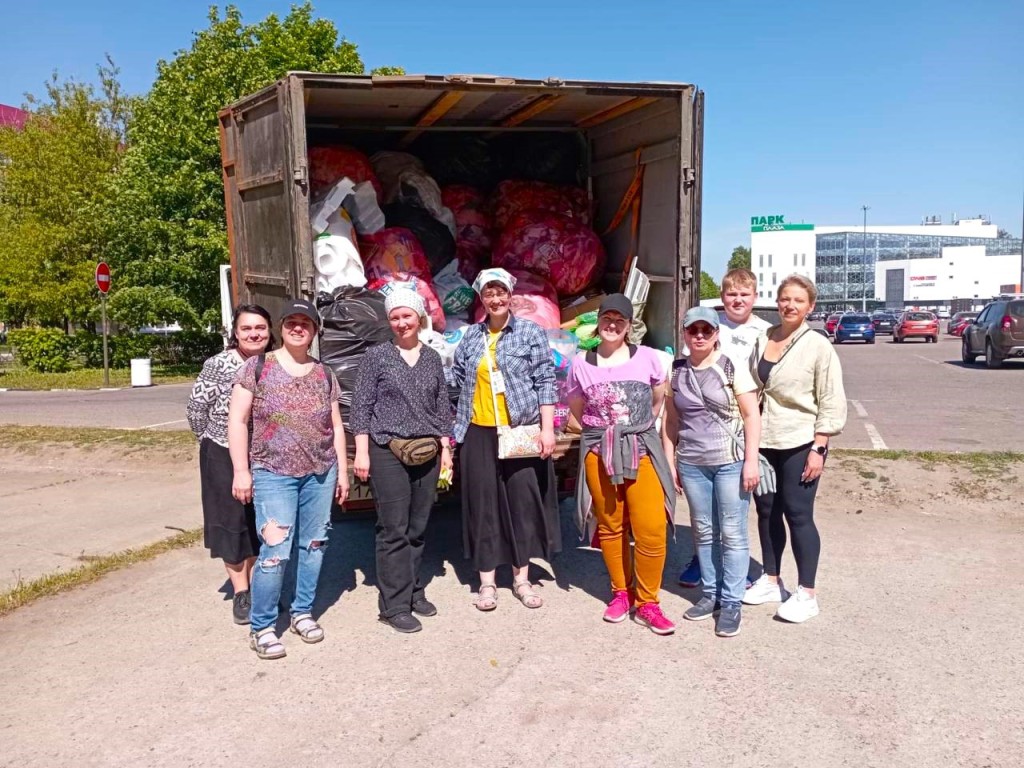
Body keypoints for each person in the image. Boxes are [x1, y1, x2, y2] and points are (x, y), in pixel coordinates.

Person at [227, 298, 349, 659]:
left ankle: (301, 612)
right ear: (282, 328)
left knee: (313, 546)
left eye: (306, 323)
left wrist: (342, 470)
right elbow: (237, 420)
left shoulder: (325, 373)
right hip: (273, 474)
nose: (298, 328)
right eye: (292, 322)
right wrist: (241, 471)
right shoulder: (258, 367)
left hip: (320, 472)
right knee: (276, 551)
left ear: (314, 331)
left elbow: (337, 425)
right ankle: (262, 626)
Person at [449, 267, 560, 611]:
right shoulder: (470, 337)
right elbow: (456, 382)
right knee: (483, 505)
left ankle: (521, 579)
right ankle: (486, 583)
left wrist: (547, 429)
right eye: (488, 294)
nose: (495, 299)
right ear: (481, 299)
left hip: (519, 431)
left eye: (500, 293)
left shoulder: (529, 332)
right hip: (478, 431)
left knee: (521, 504)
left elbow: (546, 380)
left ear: (511, 296)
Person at [568, 294, 678, 635]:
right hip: (599, 450)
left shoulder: (649, 359)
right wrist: (603, 436)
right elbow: (576, 410)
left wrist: (632, 429)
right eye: (607, 318)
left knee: (651, 529)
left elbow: (658, 399)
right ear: (598, 323)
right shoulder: (580, 363)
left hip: (641, 448)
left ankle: (648, 602)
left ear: (630, 325)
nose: (612, 324)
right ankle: (620, 593)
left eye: (620, 319)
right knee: (611, 526)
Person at [742, 275, 847, 623]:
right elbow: (750, 387)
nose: (789, 305)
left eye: (798, 301)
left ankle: (807, 592)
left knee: (798, 514)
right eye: (785, 299)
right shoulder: (763, 338)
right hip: (764, 437)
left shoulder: (817, 345)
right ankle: (771, 579)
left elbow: (830, 400)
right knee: (767, 510)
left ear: (810, 307)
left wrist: (820, 446)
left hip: (800, 440)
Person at [351, 289, 454, 634]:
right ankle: (393, 605)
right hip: (386, 449)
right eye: (394, 317)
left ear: (419, 317)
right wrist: (362, 452)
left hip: (426, 451)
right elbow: (361, 407)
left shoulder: (431, 358)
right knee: (393, 527)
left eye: (406, 316)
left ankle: (412, 591)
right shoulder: (376, 356)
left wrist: (447, 450)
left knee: (418, 527)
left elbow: (442, 406)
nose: (400, 323)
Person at [662, 306, 761, 637]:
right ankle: (710, 594)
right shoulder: (676, 370)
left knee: (732, 533)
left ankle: (731, 602)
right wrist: (670, 460)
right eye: (693, 331)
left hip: (730, 461)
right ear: (685, 334)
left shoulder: (731, 367)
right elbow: (671, 420)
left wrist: (750, 460)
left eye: (707, 330)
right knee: (703, 530)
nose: (700, 336)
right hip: (692, 463)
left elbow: (751, 416)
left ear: (717, 333)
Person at [678, 268, 770, 588]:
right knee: (706, 507)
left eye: (744, 294)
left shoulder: (766, 332)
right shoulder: (714, 327)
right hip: (709, 427)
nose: (738, 300)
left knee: (741, 507)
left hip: (748, 419)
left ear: (755, 297)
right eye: (731, 294)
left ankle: (752, 570)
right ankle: (703, 561)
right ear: (722, 297)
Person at [186, 304, 274, 625]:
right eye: (247, 328)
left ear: (269, 331)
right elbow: (197, 409)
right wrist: (210, 443)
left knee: (258, 522)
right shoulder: (219, 364)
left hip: (264, 454)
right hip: (222, 452)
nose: (254, 334)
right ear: (235, 333)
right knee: (231, 523)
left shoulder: (275, 363)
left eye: (260, 328)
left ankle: (259, 582)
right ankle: (241, 592)